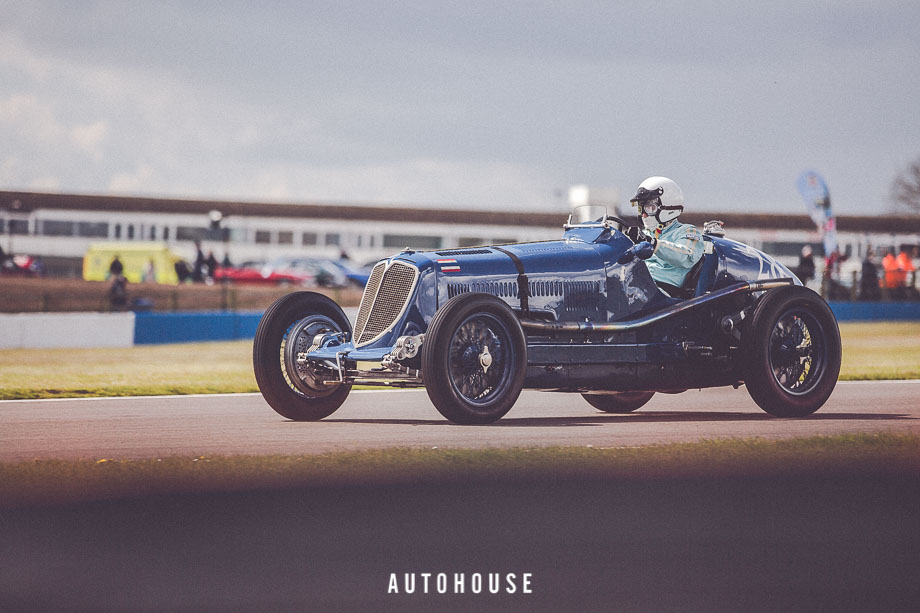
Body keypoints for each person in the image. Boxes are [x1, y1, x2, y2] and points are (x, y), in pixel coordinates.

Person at [621, 176, 703, 292]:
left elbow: (686, 257)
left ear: (668, 208)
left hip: (663, 291)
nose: (643, 215)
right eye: (641, 209)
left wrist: (653, 244)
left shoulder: (687, 231)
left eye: (650, 208)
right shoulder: (644, 234)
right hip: (635, 283)